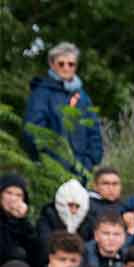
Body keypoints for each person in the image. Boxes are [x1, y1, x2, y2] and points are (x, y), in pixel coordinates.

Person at [23, 44, 104, 177]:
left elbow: (94, 132)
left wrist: (89, 162)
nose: (66, 68)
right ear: (52, 64)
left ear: (76, 66)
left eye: (71, 64)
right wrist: (47, 159)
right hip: (50, 168)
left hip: (81, 169)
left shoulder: (83, 96)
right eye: (61, 64)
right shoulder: (41, 93)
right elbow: (32, 130)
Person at [3, 173, 46, 267]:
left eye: (18, 195)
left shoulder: (24, 224)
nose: (13, 199)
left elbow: (38, 255)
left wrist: (20, 220)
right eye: (8, 193)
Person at [39, 178, 96, 248]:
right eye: (70, 205)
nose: (74, 211)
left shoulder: (87, 222)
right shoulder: (48, 217)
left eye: (77, 206)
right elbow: (45, 243)